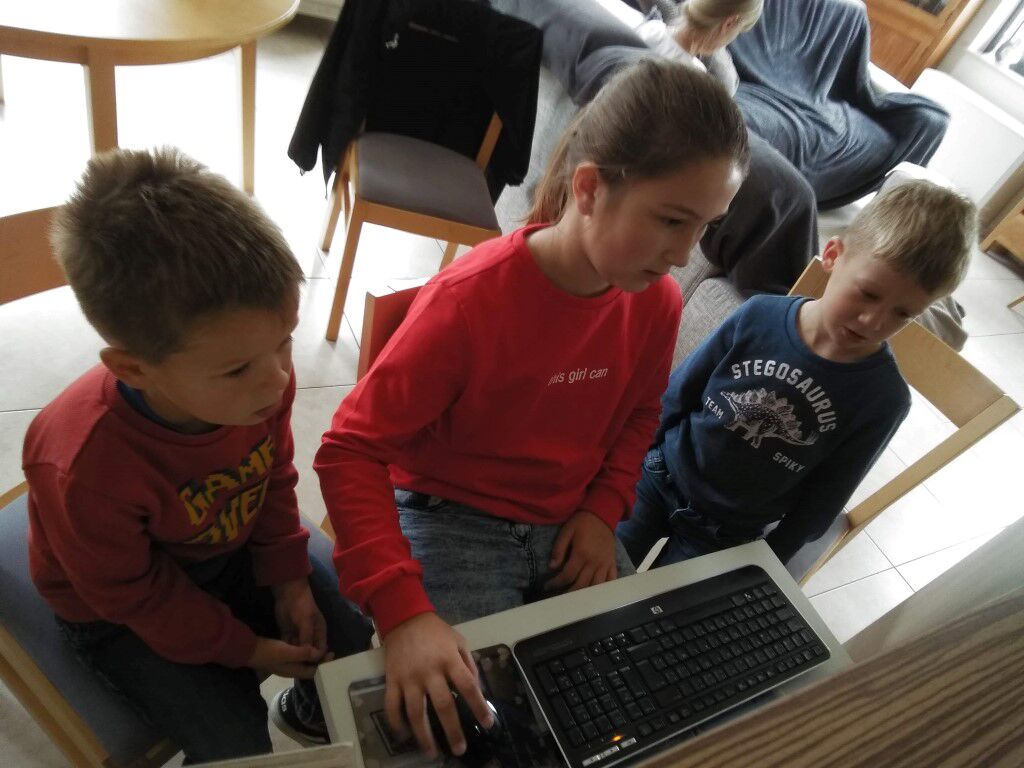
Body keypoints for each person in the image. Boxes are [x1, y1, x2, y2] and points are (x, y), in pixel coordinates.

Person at [315, 59, 749, 759]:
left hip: (566, 518)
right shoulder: (469, 302)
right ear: (589, 188)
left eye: (705, 227)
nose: (682, 255)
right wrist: (402, 614)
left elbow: (640, 415)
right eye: (671, 220)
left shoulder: (656, 301)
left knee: (633, 705)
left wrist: (601, 510)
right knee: (468, 732)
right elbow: (349, 451)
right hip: (449, 517)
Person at [23, 148, 373, 763]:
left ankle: (310, 709)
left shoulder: (261, 383)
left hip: (223, 550)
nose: (278, 379)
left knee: (351, 637)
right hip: (117, 613)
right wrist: (245, 650)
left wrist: (289, 579)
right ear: (134, 369)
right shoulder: (83, 466)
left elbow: (272, 478)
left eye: (285, 342)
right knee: (232, 736)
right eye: (236, 369)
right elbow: (132, 595)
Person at [616, 179, 978, 569]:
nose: (874, 321)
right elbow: (677, 393)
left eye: (903, 313)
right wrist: (626, 465)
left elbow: (824, 501)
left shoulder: (885, 400)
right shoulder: (758, 314)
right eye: (868, 293)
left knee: (665, 609)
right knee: (587, 579)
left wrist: (769, 562)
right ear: (833, 255)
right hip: (659, 475)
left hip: (727, 532)